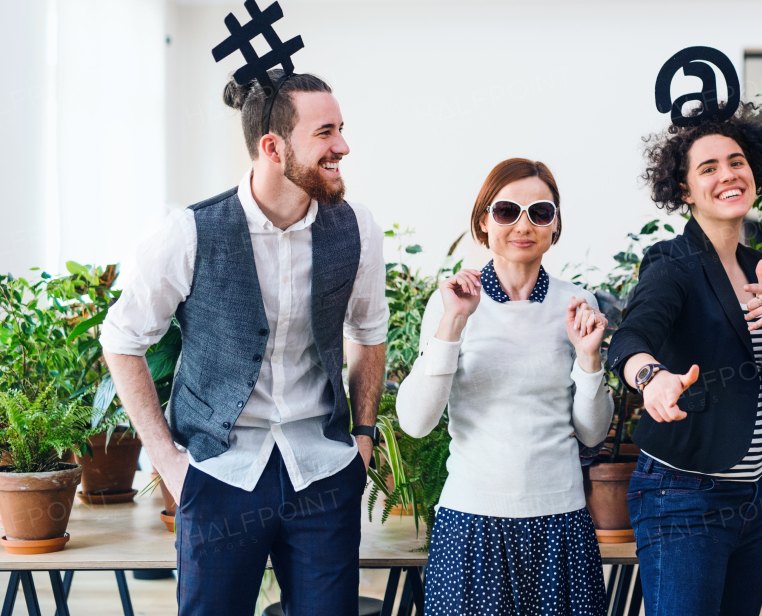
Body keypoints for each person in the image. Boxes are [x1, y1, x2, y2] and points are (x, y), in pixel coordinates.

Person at [101, 69, 388, 616]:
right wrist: (167, 459)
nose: (343, 146)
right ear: (273, 147)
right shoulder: (188, 232)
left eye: (341, 129)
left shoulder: (357, 228)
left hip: (324, 473)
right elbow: (121, 339)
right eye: (325, 133)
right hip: (218, 474)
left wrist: (365, 434)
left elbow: (368, 332)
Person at [606, 97, 762, 616]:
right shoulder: (671, 264)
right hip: (683, 497)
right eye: (708, 168)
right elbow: (630, 339)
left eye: (736, 161)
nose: (727, 175)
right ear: (684, 189)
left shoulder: (759, 267)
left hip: (751, 499)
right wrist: (652, 378)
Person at [396, 158, 614, 616]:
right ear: (483, 220)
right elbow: (416, 423)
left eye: (539, 212)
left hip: (560, 523)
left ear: (554, 226)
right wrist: (454, 322)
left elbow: (592, 434)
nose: (523, 224)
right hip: (471, 521)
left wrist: (589, 358)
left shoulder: (575, 304)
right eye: (507, 210)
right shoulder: (452, 301)